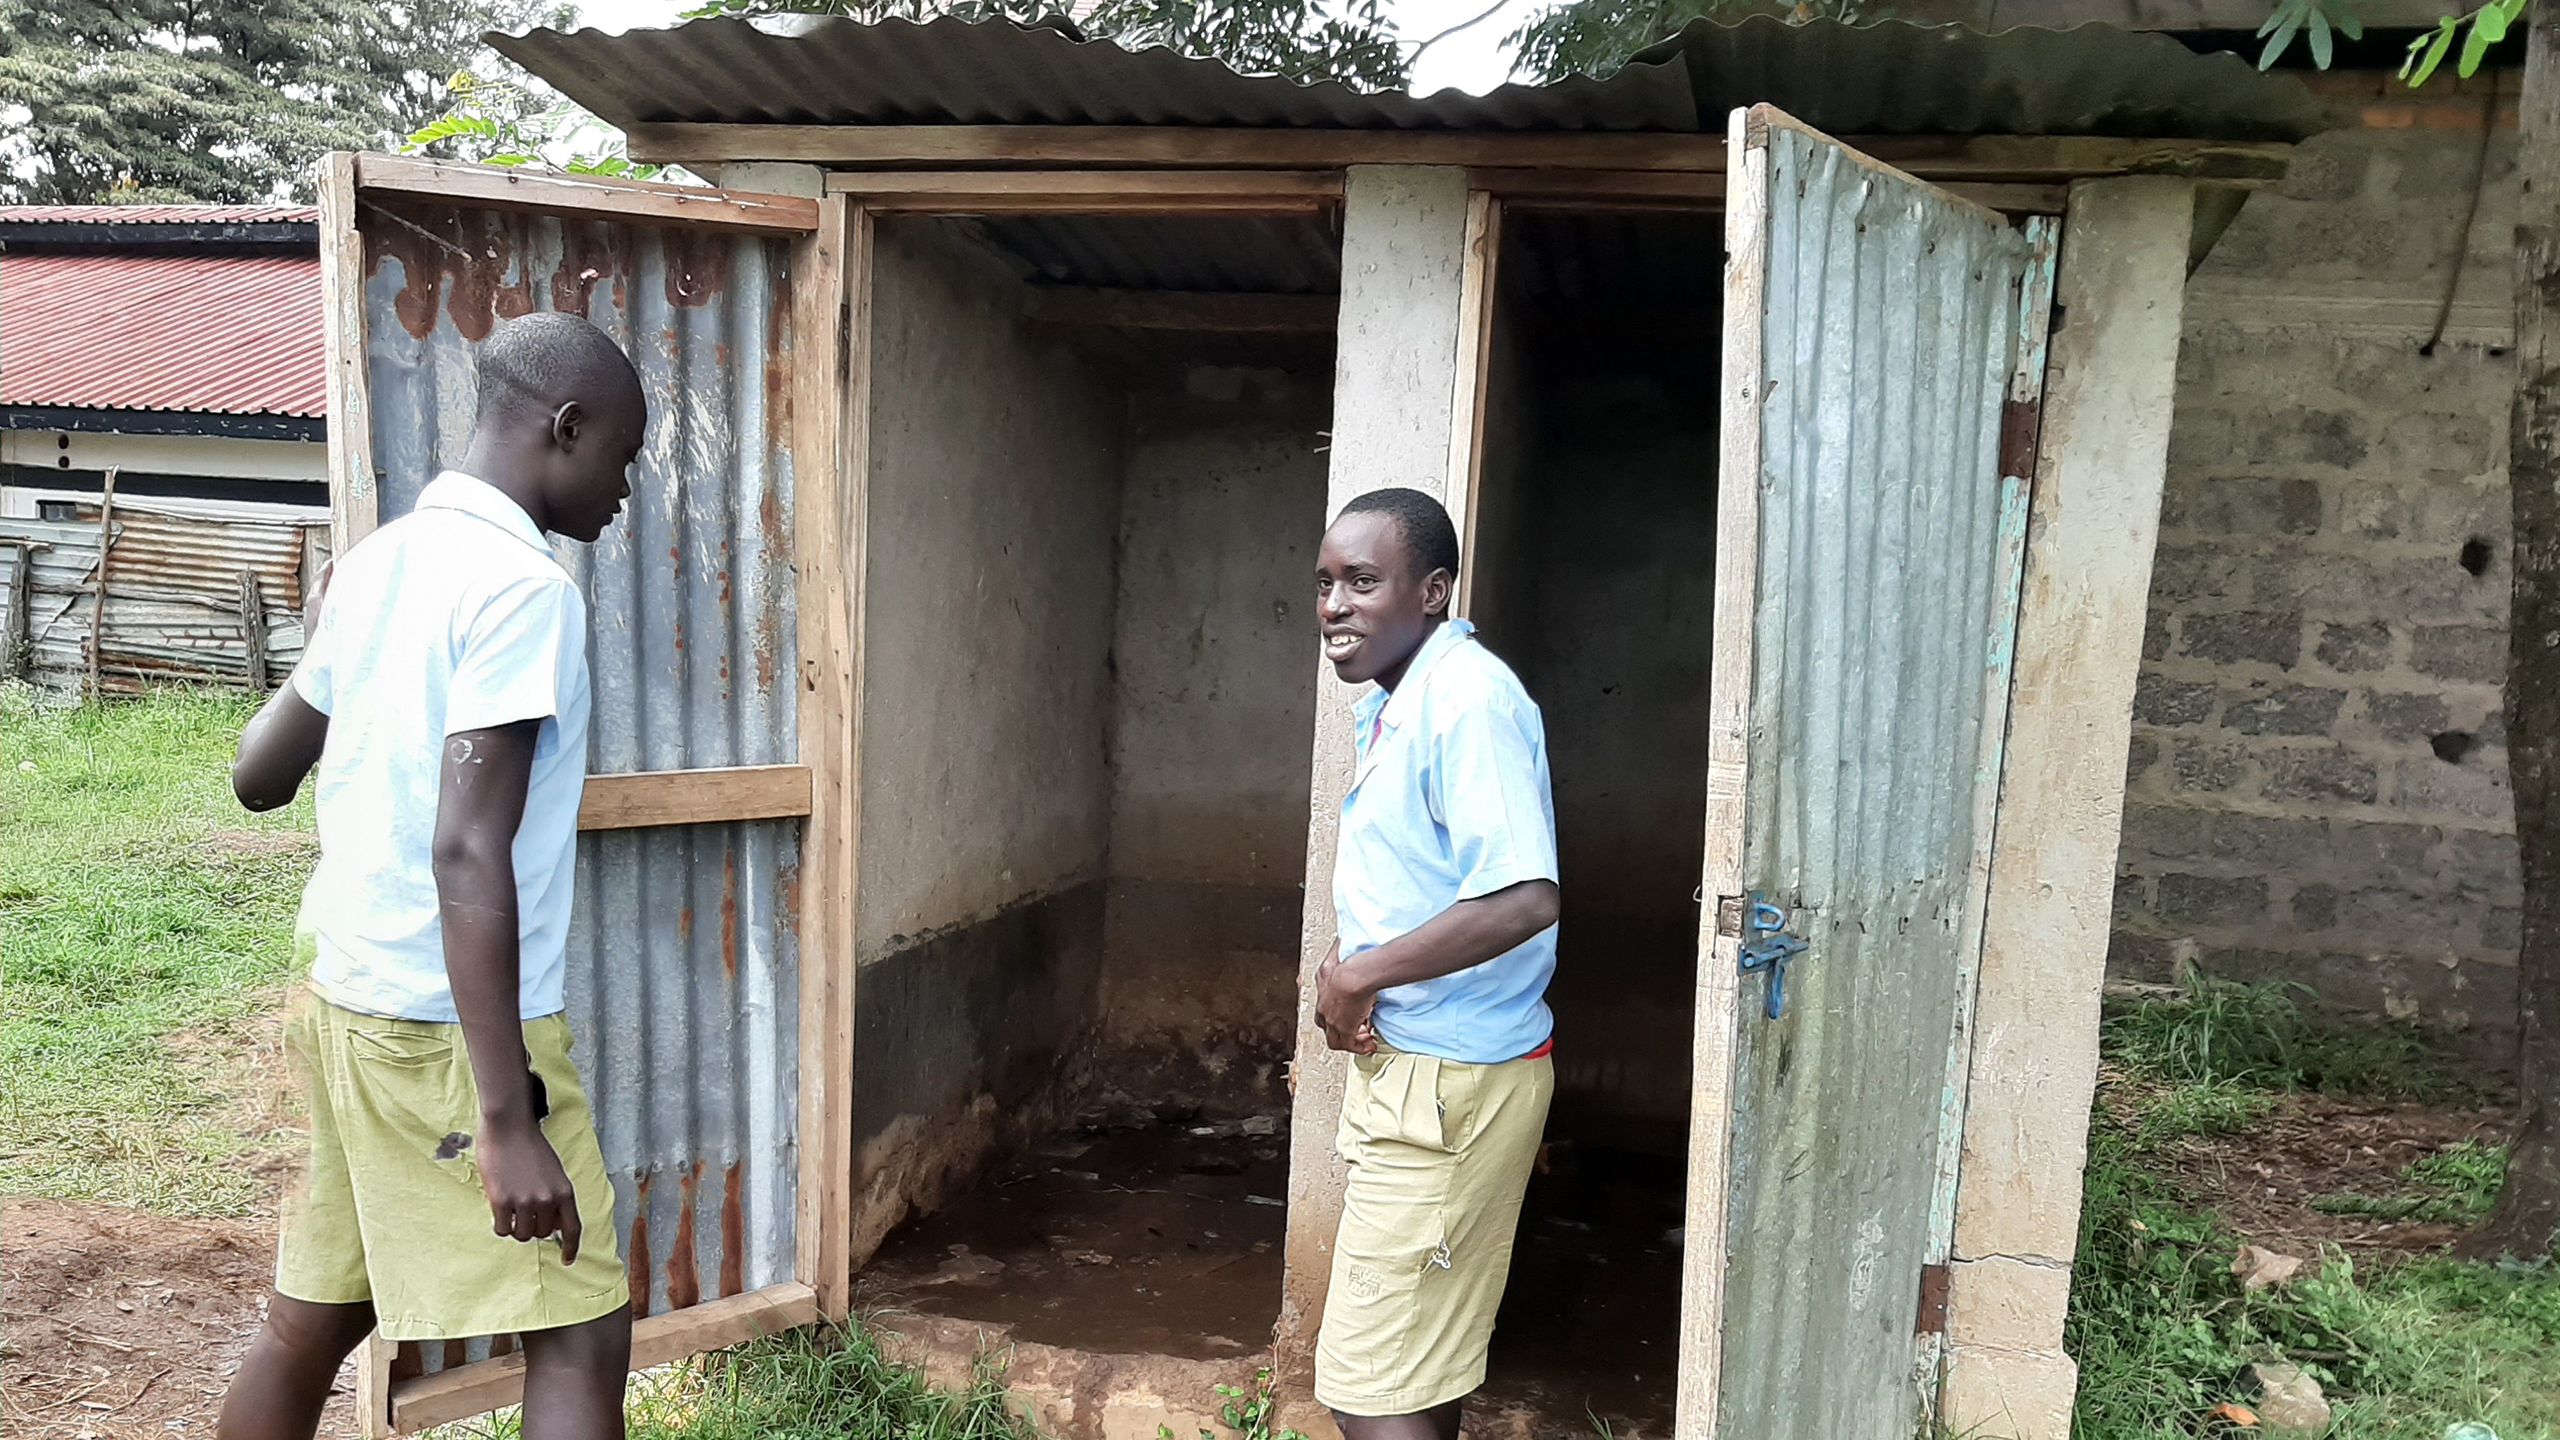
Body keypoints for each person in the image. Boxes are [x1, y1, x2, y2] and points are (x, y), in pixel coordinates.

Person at [217, 312, 646, 1440]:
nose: (628, 487)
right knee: (581, 1330)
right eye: (625, 453)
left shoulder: (378, 567)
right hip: (443, 1031)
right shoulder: (521, 589)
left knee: (311, 1322)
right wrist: (507, 1119)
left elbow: (258, 776)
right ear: (565, 426)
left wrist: (327, 637)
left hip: (349, 1007)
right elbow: (468, 843)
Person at [1309, 487, 1561, 1440]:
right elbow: (1428, 873)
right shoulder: (1401, 699)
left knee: (1370, 1390)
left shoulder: (1467, 701)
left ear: (1432, 590)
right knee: (1416, 1368)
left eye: (1363, 581)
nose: (1335, 605)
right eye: (1326, 583)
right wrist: (1357, 951)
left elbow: (1524, 896)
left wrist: (1359, 975)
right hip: (1432, 1079)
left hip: (1447, 1089)